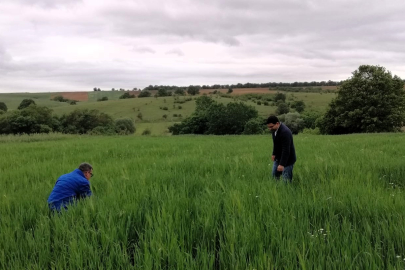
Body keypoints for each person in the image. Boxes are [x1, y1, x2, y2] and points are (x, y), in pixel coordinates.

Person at [266, 116, 296, 182]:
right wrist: (274, 154)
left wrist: (282, 164)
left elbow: (286, 150)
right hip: (278, 158)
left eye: (271, 127)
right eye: (268, 127)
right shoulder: (274, 130)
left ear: (277, 123)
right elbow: (276, 143)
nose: (270, 129)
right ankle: (276, 191)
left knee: (286, 181)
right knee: (274, 178)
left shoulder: (285, 132)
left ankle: (286, 191)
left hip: (288, 160)